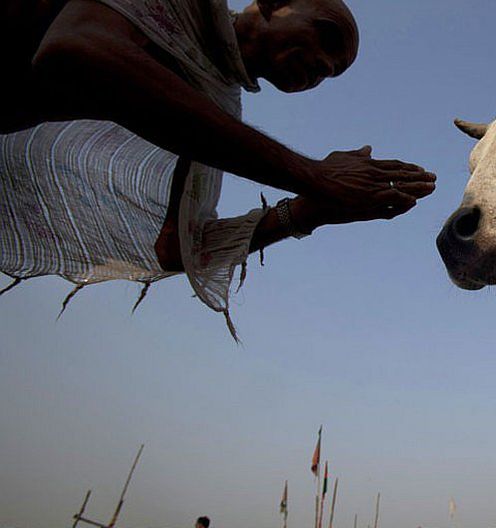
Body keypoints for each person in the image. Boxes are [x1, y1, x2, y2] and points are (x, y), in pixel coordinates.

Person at [0, 0, 435, 329]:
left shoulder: (213, 111)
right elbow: (76, 49)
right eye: (326, 37)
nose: (324, 64)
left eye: (334, 71)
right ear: (271, 3)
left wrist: (305, 212)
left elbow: (176, 251)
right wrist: (314, 176)